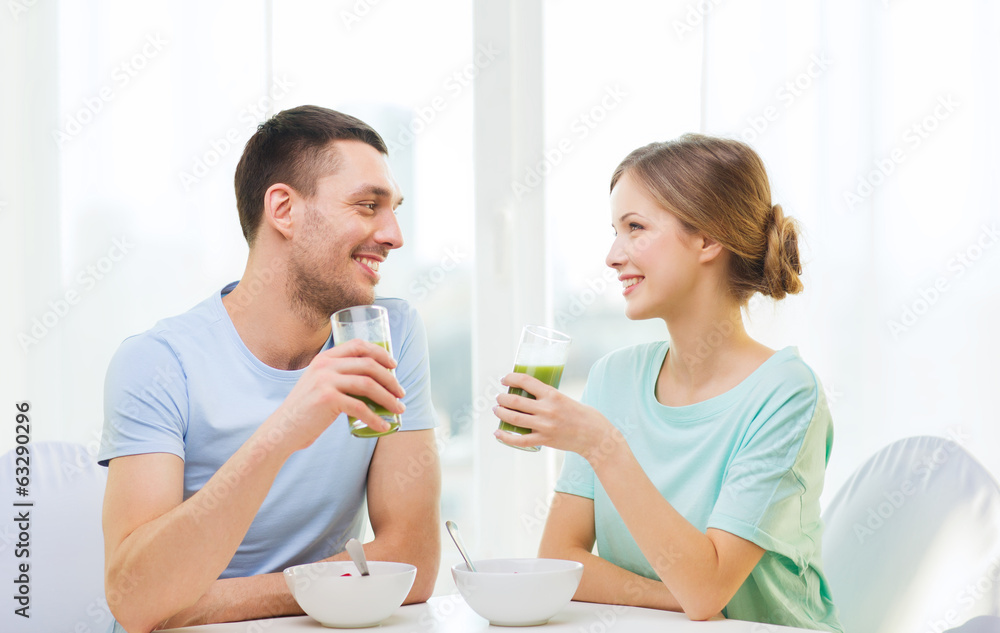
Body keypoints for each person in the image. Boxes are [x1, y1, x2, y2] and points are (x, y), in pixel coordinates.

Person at [98, 106, 441, 633]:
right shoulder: (158, 362)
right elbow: (136, 600)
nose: (394, 234)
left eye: (394, 209)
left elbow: (411, 565)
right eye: (368, 205)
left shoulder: (388, 331)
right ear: (283, 209)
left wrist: (198, 601)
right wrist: (283, 432)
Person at [493, 134, 842, 631]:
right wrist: (669, 598)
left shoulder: (785, 393)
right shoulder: (614, 377)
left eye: (635, 228)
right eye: (615, 230)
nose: (613, 255)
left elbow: (706, 589)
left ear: (707, 239)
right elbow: (559, 562)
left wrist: (602, 444)